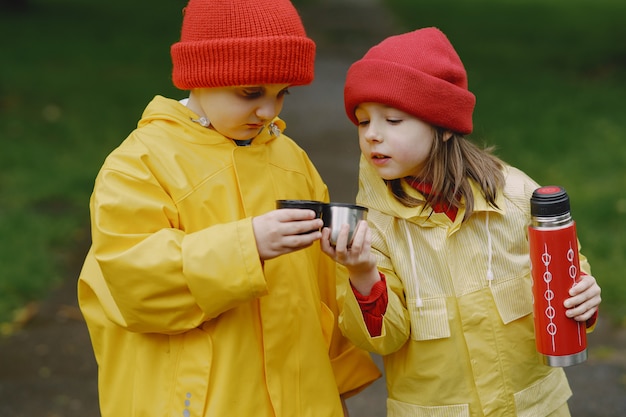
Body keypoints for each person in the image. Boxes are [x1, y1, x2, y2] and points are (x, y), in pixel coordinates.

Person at [77, 0, 381, 416]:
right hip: (199, 402)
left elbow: (322, 292)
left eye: (282, 93)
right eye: (250, 92)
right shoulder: (140, 164)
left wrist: (337, 388)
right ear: (201, 77)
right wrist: (247, 244)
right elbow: (132, 282)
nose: (268, 110)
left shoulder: (291, 160)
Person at [321, 27, 602, 416]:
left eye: (392, 120)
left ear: (444, 123)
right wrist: (362, 272)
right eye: (363, 121)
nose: (373, 135)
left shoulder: (516, 195)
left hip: (534, 408)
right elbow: (383, 340)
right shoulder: (374, 228)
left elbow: (567, 273)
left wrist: (583, 299)